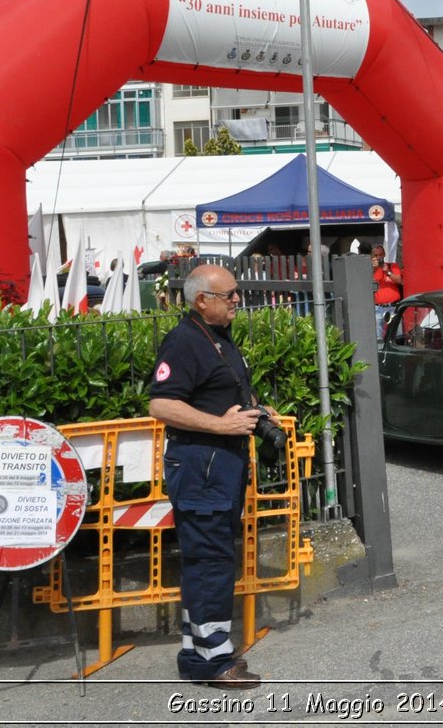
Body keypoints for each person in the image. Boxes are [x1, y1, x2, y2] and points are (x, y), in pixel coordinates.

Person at [148, 264, 269, 689]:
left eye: (237, 293)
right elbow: (162, 405)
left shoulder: (216, 337)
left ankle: (200, 651)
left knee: (212, 561)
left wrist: (254, 412)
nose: (238, 299)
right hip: (202, 471)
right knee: (209, 564)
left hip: (219, 470)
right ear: (203, 300)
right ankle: (211, 661)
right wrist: (223, 426)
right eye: (230, 294)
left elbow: (226, 392)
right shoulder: (184, 341)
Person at [371, 244, 403, 339]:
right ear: (372, 257)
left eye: (380, 255)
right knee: (378, 337)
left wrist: (388, 272)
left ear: (384, 255)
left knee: (398, 336)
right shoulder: (370, 268)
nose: (379, 257)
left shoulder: (391, 266)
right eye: (376, 255)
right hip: (378, 308)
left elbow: (400, 280)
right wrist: (373, 269)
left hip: (393, 306)